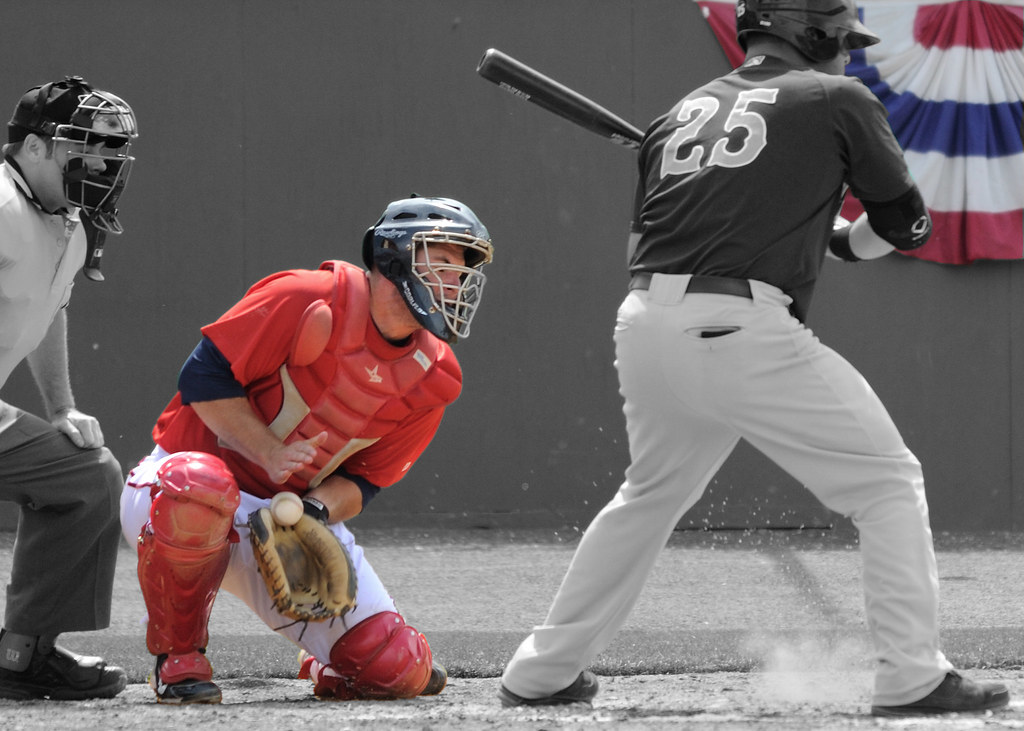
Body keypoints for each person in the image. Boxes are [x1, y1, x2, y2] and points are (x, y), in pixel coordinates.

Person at [498, 0, 1010, 718]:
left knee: (648, 498)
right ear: (812, 31)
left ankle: (540, 670)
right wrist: (844, 238)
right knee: (889, 484)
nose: (846, 54)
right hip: (739, 326)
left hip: (647, 323)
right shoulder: (836, 97)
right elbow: (906, 223)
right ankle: (912, 676)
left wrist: (816, 224)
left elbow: (673, 232)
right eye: (840, 40)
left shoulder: (683, 113)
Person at [120, 195, 494, 705]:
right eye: (443, 261)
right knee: (200, 487)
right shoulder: (306, 296)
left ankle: (328, 666)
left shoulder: (437, 378)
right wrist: (269, 452)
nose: (456, 280)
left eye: (463, 268)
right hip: (176, 492)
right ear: (392, 256)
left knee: (397, 669)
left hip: (282, 522)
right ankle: (178, 658)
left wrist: (315, 512)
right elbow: (201, 378)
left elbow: (365, 482)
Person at [0, 76, 138, 700]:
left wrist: (61, 408)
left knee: (88, 475)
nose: (104, 162)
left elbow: (52, 310)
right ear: (32, 148)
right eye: (86, 144)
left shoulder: (74, 225)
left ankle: (22, 655)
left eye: (113, 150)